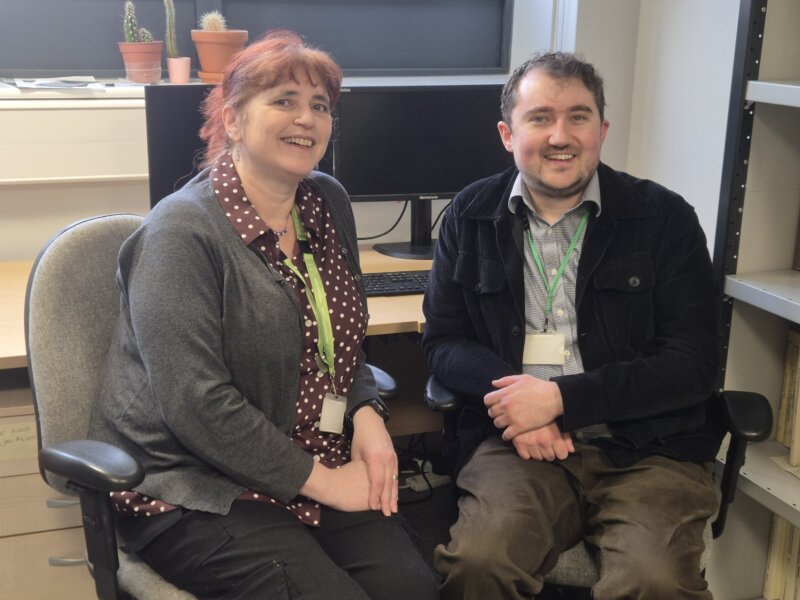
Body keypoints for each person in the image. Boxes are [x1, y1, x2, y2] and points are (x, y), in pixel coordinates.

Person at [89, 30, 438, 600]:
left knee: (414, 589)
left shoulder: (326, 203)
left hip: (304, 456)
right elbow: (196, 405)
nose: (307, 118)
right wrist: (325, 483)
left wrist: (369, 415)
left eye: (320, 106)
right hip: (194, 483)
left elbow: (337, 342)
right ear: (232, 120)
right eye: (283, 101)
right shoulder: (181, 233)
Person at [422, 51, 723, 599]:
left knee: (653, 581)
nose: (561, 135)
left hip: (648, 447)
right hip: (516, 445)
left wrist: (560, 401)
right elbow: (444, 341)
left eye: (578, 117)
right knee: (478, 563)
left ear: (602, 129)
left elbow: (693, 365)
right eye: (539, 118)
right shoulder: (469, 215)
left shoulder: (664, 218)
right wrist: (518, 405)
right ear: (507, 134)